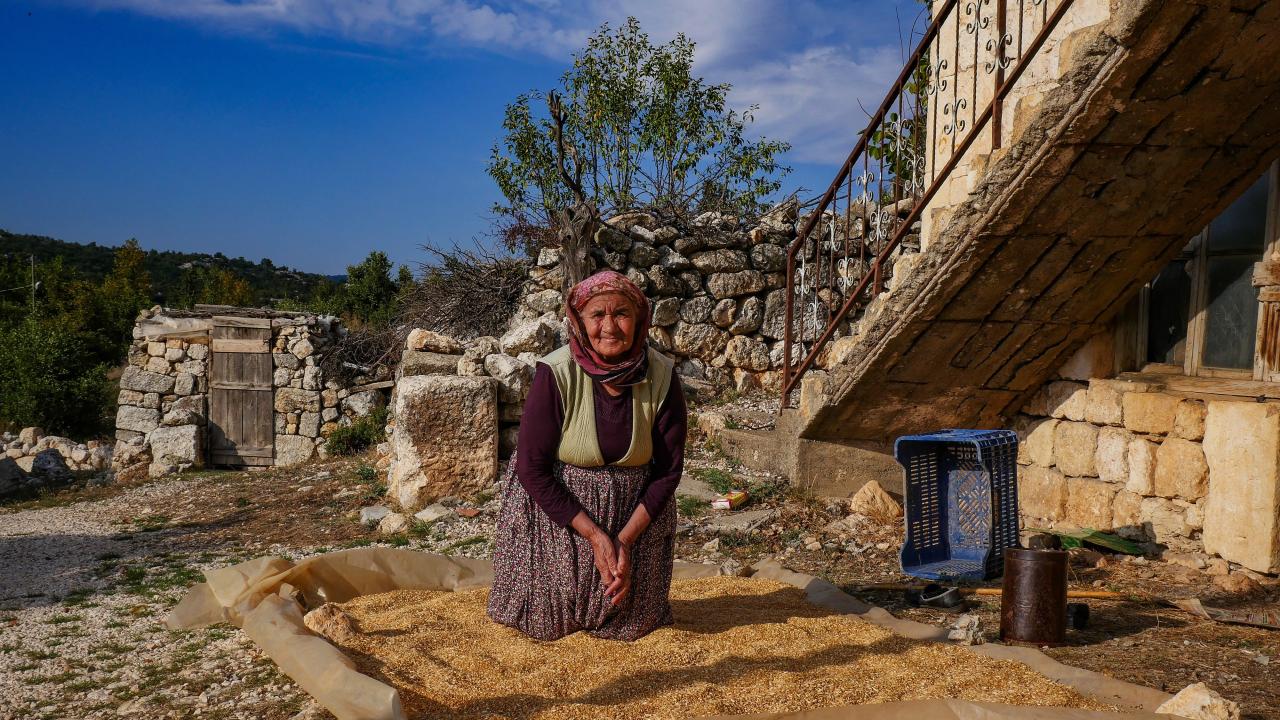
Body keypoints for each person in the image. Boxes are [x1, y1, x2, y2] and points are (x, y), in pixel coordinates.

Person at [487, 269, 687, 641]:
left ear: (640, 320)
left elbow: (668, 470)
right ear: (579, 321)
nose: (610, 326)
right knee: (549, 623)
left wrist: (623, 540)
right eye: (597, 315)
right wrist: (596, 537)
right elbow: (532, 467)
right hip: (562, 511)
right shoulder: (557, 371)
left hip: (635, 512)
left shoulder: (661, 374)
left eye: (621, 313)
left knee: (628, 623)